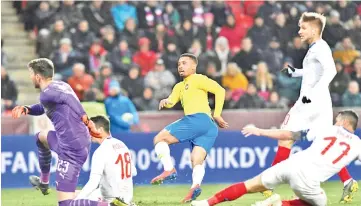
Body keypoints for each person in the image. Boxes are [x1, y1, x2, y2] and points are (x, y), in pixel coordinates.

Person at [11, 58, 123, 206]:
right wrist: (28, 109)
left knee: (66, 203)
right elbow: (45, 106)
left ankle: (108, 204)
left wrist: (86, 118)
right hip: (72, 140)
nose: (30, 77)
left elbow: (68, 99)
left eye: (31, 74)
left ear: (38, 76)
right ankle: (44, 182)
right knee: (40, 137)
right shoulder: (59, 86)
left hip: (71, 149)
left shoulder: (48, 93)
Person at [192, 110, 361, 206]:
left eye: (338, 120)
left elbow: (289, 135)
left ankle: (206, 203)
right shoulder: (357, 144)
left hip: (290, 164)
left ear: (345, 122)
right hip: (308, 180)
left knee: (249, 185)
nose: (335, 122)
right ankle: (278, 205)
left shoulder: (325, 128)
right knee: (320, 202)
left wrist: (261, 131)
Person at [278, 12, 357, 201]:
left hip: (310, 102)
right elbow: (313, 71)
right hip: (320, 103)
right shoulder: (317, 48)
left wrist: (315, 92)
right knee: (323, 143)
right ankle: (347, 181)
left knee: (284, 134)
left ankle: (267, 184)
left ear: (314, 29)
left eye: (303, 27)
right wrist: (295, 72)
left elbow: (331, 70)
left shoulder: (320, 48)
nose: (299, 31)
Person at [150, 53, 228, 203]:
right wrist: (166, 101)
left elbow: (220, 90)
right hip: (209, 128)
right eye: (179, 64)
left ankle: (169, 169)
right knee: (196, 160)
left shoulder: (198, 79)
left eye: (184, 63)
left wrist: (217, 114)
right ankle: (195, 186)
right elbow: (172, 101)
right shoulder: (179, 86)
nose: (180, 66)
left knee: (159, 139)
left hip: (198, 119)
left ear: (194, 66)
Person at [76, 116, 137, 206]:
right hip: (126, 197)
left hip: (111, 200)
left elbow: (93, 182)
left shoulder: (101, 151)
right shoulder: (121, 144)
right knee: (73, 193)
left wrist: (75, 202)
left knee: (68, 199)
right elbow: (134, 172)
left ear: (100, 130)